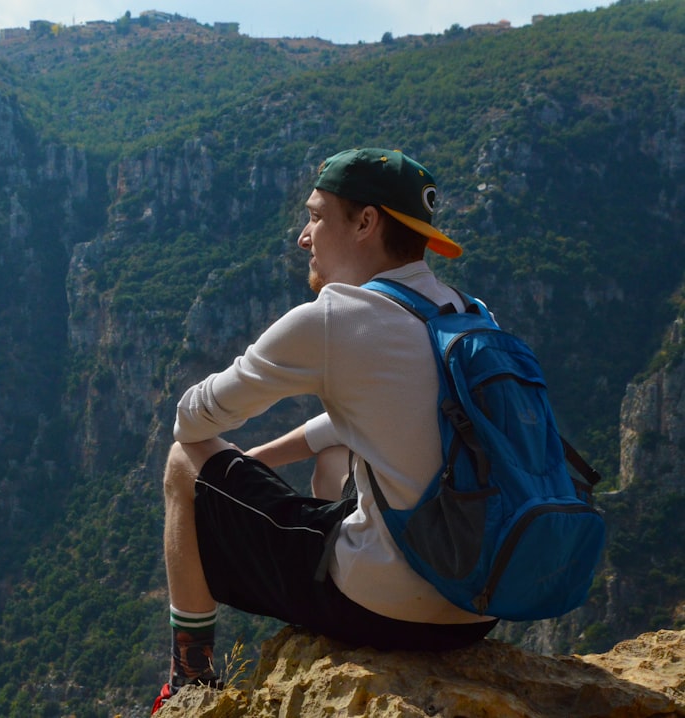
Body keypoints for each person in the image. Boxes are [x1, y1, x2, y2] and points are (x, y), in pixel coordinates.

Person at [154, 147, 499, 711]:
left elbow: (192, 420)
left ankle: (189, 678)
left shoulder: (335, 317)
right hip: (478, 605)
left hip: (383, 610)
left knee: (182, 462)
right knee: (332, 460)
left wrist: (230, 454)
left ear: (365, 223)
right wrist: (260, 459)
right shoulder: (470, 313)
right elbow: (371, 417)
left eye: (316, 216)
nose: (303, 236)